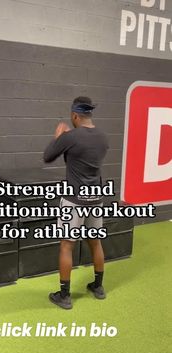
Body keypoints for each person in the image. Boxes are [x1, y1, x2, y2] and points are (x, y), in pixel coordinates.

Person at [44, 96, 109, 309]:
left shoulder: (70, 136)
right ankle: (98, 287)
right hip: (96, 199)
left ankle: (64, 296)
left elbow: (48, 156)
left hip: (73, 201)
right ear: (89, 113)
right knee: (96, 243)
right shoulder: (103, 137)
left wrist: (57, 137)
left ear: (74, 115)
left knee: (66, 245)